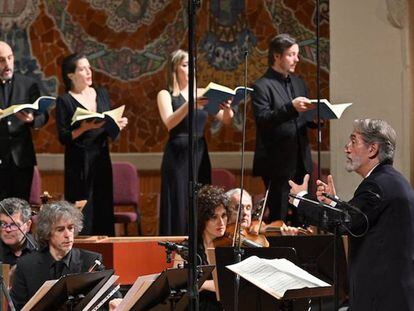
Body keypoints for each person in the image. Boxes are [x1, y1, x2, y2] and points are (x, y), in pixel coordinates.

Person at [289, 119, 414, 310]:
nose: (347, 148)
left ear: (372, 149)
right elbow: (359, 218)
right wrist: (333, 202)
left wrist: (300, 199)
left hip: (381, 298)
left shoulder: (377, 185)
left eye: (354, 141)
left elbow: (344, 223)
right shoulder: (389, 180)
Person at [158, 49, 233, 235]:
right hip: (177, 153)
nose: (190, 69)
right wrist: (190, 103)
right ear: (174, 68)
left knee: (201, 199)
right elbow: (169, 122)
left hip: (199, 151)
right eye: (185, 65)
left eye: (192, 65)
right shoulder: (166, 94)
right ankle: (177, 243)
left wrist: (226, 109)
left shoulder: (201, 92)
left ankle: (201, 241)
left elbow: (226, 120)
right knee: (178, 200)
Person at [55, 53, 128, 236]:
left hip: (101, 158)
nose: (89, 72)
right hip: (79, 162)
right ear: (71, 75)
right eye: (82, 69)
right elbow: (63, 137)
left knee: (103, 206)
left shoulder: (101, 93)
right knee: (83, 210)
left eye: (89, 68)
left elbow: (109, 129)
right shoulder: (65, 100)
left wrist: (116, 124)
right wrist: (84, 128)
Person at [251, 33, 316, 225]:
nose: (297, 59)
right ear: (277, 56)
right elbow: (263, 119)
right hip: (277, 163)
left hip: (301, 160)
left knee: (302, 214)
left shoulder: (299, 82)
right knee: (279, 217)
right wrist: (291, 108)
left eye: (297, 54)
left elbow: (302, 118)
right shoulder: (262, 86)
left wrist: (316, 120)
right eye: (291, 54)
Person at [10, 201, 108, 309]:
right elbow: (18, 306)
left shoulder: (91, 261)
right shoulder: (26, 265)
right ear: (47, 233)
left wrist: (115, 301)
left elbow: (110, 297)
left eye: (70, 228)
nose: (68, 235)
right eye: (60, 230)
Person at [0, 41, 49, 201]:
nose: (7, 64)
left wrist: (31, 119)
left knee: (20, 210)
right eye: (1, 60)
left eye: (10, 58)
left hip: (21, 159)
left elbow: (43, 116)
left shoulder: (28, 84)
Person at [197, 185, 230, 311]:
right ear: (202, 219)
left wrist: (204, 284)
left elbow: (233, 285)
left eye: (224, 215)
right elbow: (181, 287)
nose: (221, 223)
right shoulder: (188, 248)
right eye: (214, 217)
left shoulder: (229, 245)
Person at [0, 198, 36, 266]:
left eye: (14, 225)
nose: (8, 230)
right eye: (3, 224)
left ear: (28, 225)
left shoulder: (41, 248)